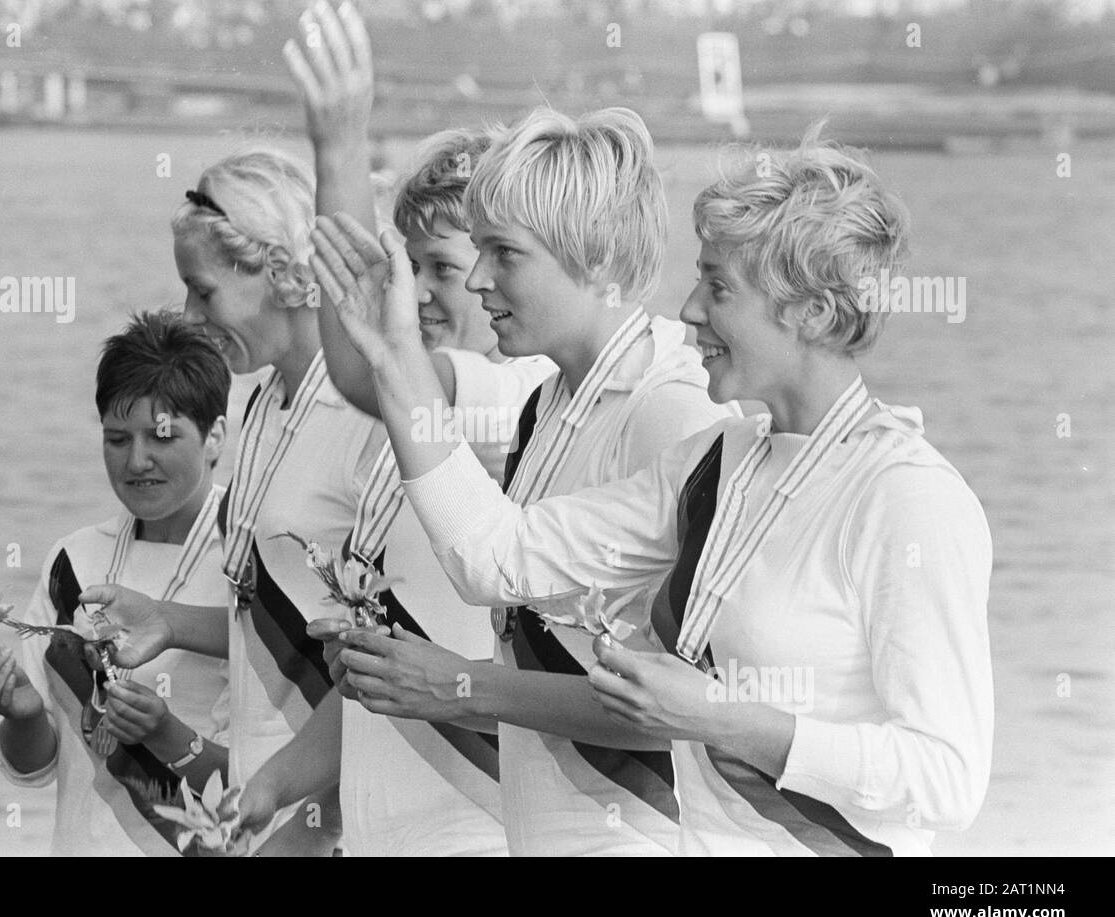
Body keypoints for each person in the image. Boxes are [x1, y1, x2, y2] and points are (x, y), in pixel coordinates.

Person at [319, 126, 994, 856]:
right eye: (699, 278)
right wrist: (393, 359)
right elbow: (491, 557)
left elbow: (947, 778)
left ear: (816, 313)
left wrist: (724, 717)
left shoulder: (908, 497)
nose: (691, 309)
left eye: (719, 286)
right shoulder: (714, 463)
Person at [313, 102, 738, 857]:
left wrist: (457, 687)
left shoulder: (671, 406)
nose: (478, 279)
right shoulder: (547, 400)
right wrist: (406, 675)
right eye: (474, 250)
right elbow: (528, 633)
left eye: (504, 253)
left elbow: (683, 696)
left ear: (598, 258)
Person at [231, 1, 549, 856]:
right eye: (406, 268)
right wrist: (270, 786)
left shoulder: (516, 397)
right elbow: (395, 669)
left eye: (442, 268)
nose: (411, 295)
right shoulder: (413, 433)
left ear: (500, 275)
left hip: (481, 830)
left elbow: (363, 366)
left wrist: (339, 147)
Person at [79, 146, 387, 856]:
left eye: (204, 291)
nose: (187, 315)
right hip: (251, 806)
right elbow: (281, 610)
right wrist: (169, 620)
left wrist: (315, 825)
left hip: (328, 821)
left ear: (278, 272)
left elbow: (393, 654)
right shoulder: (257, 412)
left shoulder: (367, 420)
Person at [0, 310, 233, 856]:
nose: (138, 461)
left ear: (216, 437)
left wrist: (166, 733)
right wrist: (20, 714)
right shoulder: (74, 562)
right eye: (117, 439)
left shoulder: (249, 564)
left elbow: (279, 775)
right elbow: (34, 765)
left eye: (163, 436)